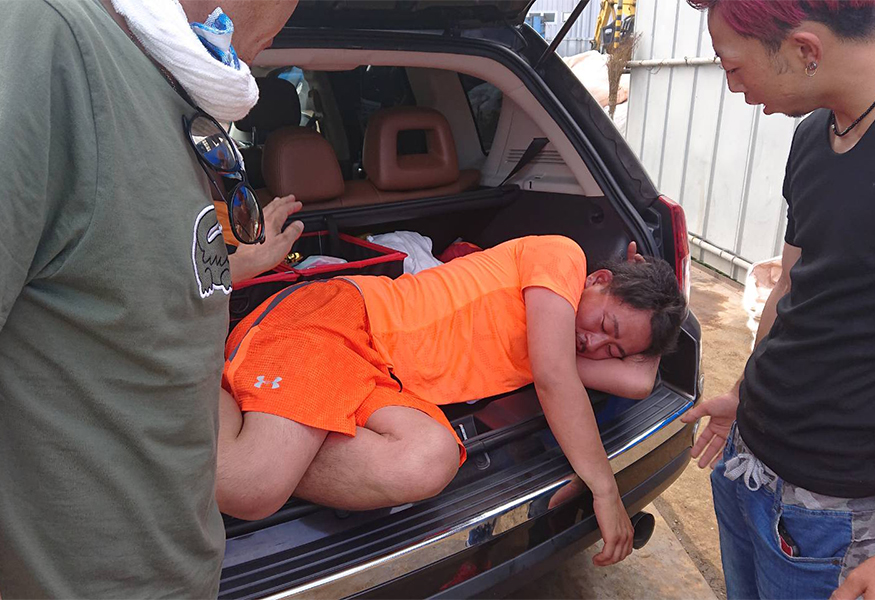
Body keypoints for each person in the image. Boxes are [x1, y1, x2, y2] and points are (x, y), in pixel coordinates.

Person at [0, 0, 301, 597]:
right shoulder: (49, 38)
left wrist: (246, 261)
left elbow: (133, 274)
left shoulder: (179, 85)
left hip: (182, 570)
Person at [218, 235, 686, 567]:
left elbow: (639, 382)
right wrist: (605, 490)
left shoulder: (558, 347)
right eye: (605, 326)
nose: (595, 344)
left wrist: (659, 315)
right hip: (343, 319)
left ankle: (261, 426)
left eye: (613, 351)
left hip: (379, 377)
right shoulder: (562, 256)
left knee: (431, 459)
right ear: (597, 279)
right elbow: (555, 380)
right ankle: (201, 386)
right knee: (251, 489)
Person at [680, 2, 875, 599]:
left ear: (805, 49)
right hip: (748, 461)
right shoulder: (814, 136)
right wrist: (745, 392)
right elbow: (791, 286)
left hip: (832, 507)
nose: (733, 86)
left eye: (732, 67)